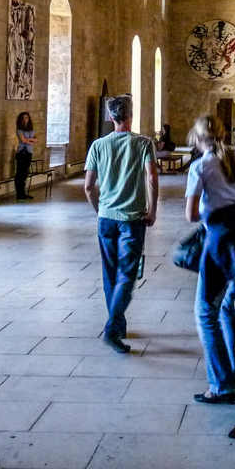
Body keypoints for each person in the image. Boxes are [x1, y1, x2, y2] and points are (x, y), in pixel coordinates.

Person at [184, 114, 235, 404]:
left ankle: (221, 384)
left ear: (197, 138)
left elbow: (191, 214)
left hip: (219, 244)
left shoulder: (201, 166)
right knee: (227, 306)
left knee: (206, 313)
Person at [84, 95, 159, 353]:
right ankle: (112, 329)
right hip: (131, 219)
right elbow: (151, 178)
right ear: (130, 116)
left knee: (110, 273)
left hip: (106, 218)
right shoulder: (143, 144)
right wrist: (152, 210)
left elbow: (88, 186)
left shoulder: (98, 145)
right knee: (127, 274)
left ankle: (118, 323)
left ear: (111, 117)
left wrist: (99, 210)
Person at [13, 111, 36, 200]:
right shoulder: (19, 130)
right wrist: (31, 140)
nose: (25, 120)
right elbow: (23, 141)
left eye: (26, 118)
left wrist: (29, 140)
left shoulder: (31, 129)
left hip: (29, 152)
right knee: (20, 174)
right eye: (23, 118)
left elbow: (36, 139)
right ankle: (19, 194)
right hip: (22, 153)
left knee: (25, 173)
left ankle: (23, 193)